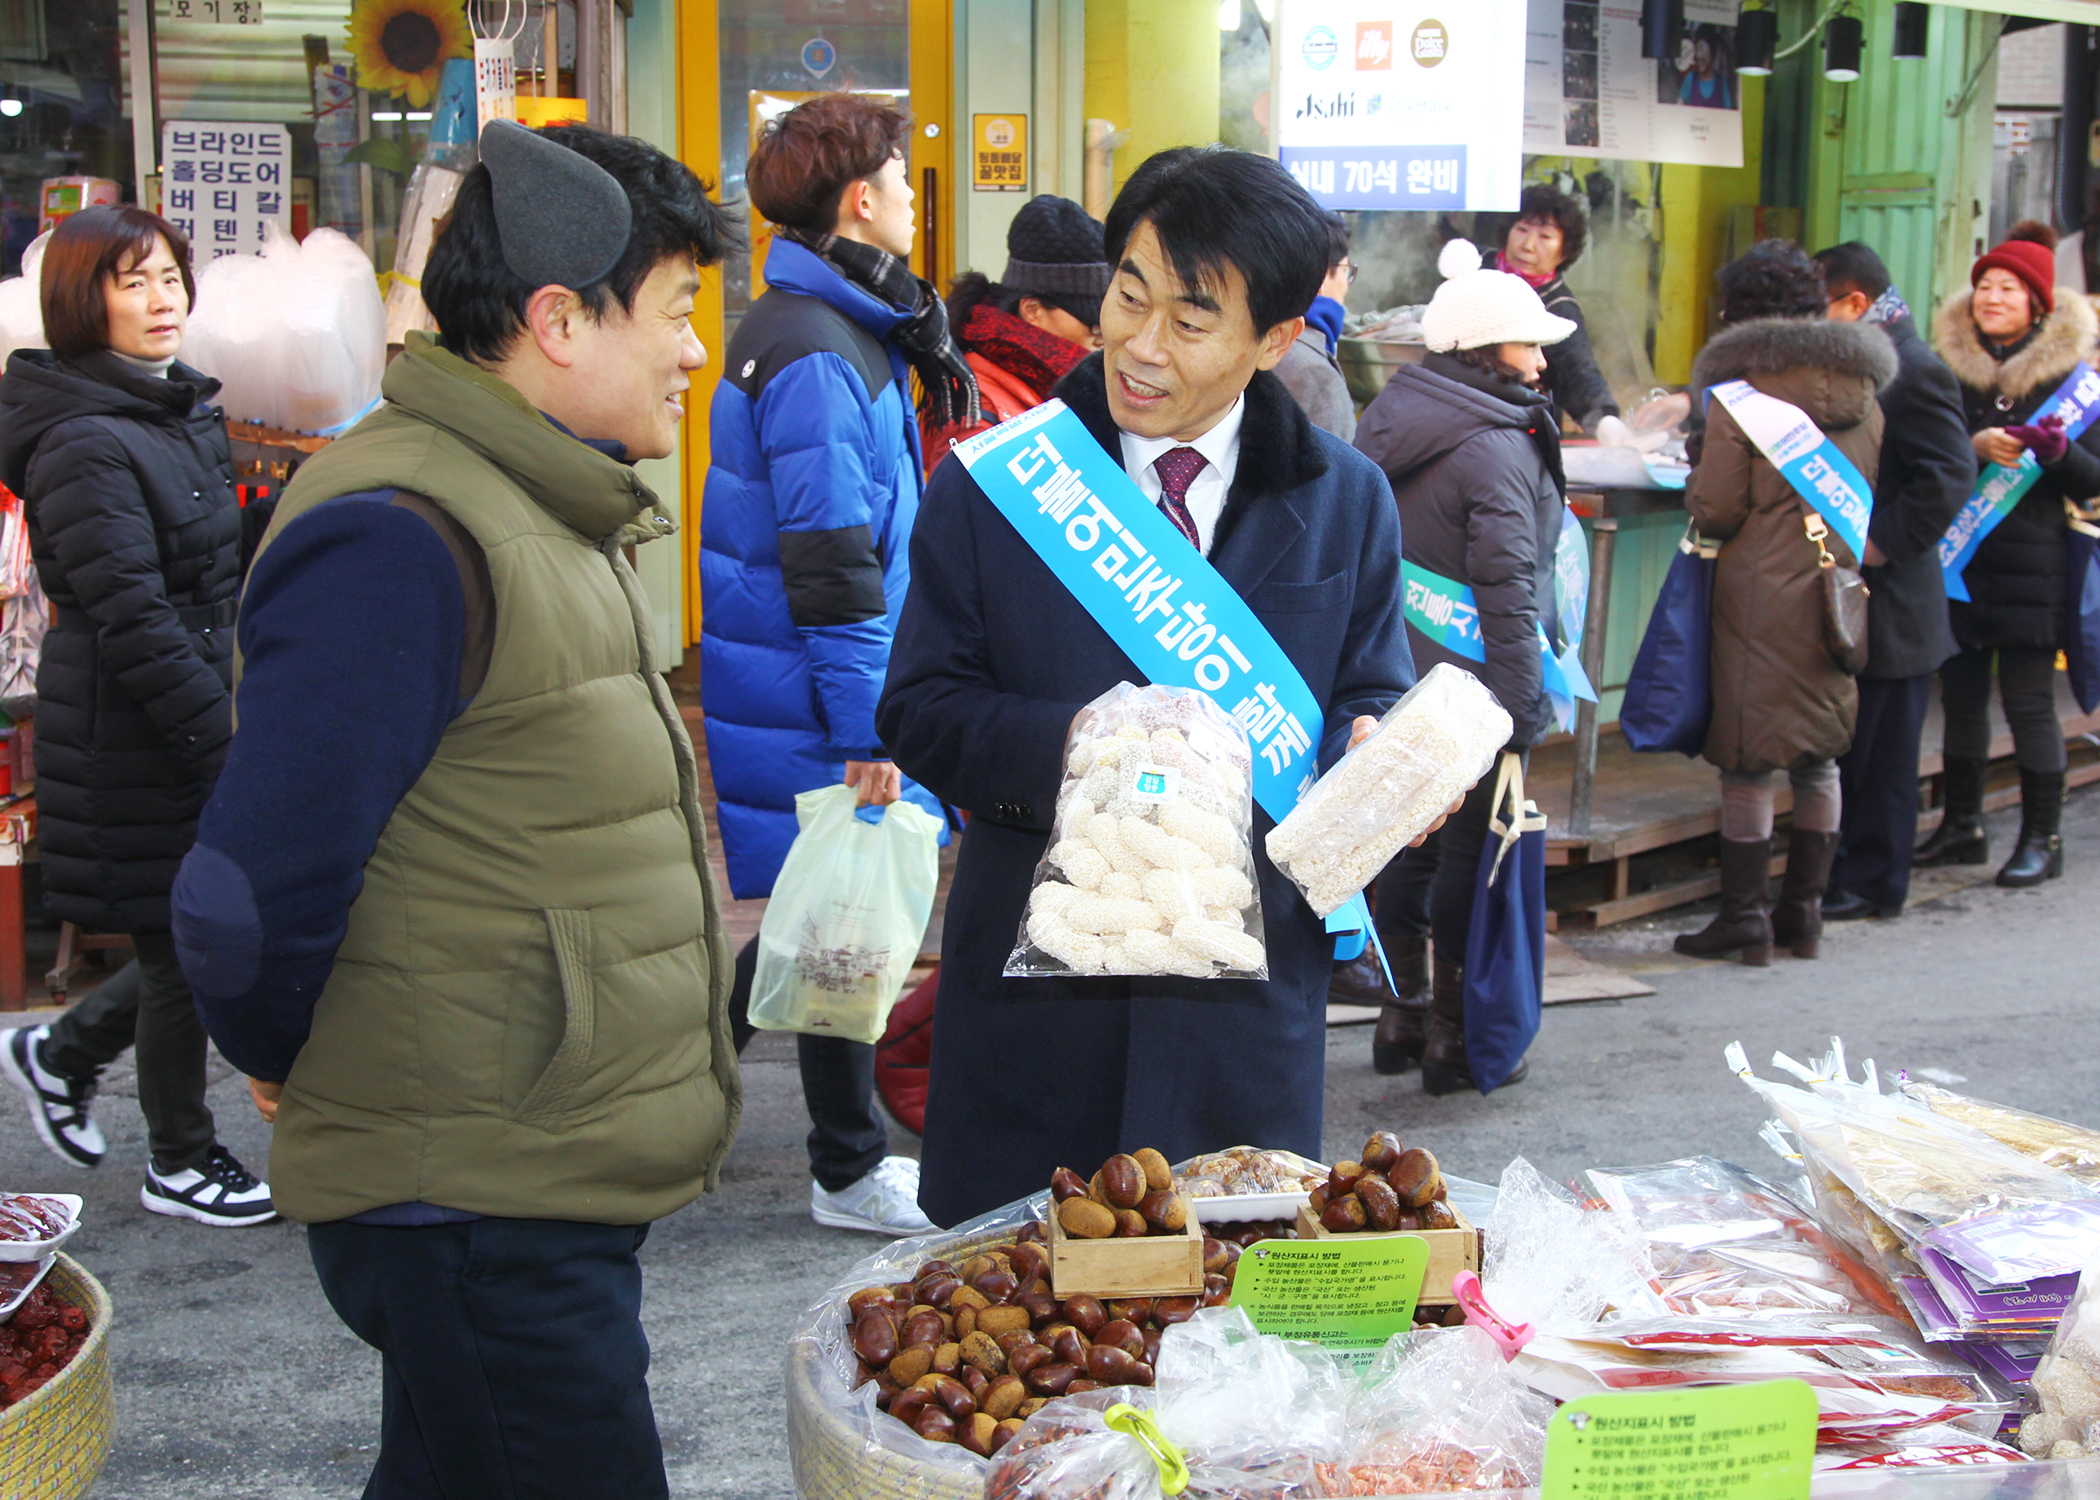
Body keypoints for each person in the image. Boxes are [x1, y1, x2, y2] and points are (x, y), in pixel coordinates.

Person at [170, 122, 741, 1498]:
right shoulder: (406, 528)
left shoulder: (538, 497)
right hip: (476, 1189)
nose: (694, 351)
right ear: (556, 321)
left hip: (512, 1165)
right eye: (674, 312)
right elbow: (247, 894)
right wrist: (293, 1053)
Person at [878, 145, 1420, 1227]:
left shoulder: (1346, 499)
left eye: (1190, 318)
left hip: (1243, 1008)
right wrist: (1088, 746)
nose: (1139, 343)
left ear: (1272, 340)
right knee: (1017, 1341)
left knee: (1225, 1337)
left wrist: (1382, 752)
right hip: (1041, 1006)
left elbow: (1372, 688)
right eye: (1130, 294)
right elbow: (920, 711)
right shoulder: (998, 486)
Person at [701, 92, 966, 1237]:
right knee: (840, 919)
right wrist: (872, 727)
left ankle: (802, 1147)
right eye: (906, 181)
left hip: (816, 678)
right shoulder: (817, 349)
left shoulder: (832, 324)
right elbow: (830, 563)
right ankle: (846, 1168)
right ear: (863, 201)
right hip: (826, 687)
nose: (915, 199)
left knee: (826, 916)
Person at [0, 205, 272, 1226]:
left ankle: (60, 1052)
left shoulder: (170, 407)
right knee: (183, 944)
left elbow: (207, 569)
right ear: (82, 302)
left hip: (183, 698)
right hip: (133, 721)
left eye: (169, 277)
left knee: (184, 937)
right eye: (132, 282)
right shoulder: (83, 438)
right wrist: (224, 737)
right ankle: (180, 1157)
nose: (163, 301)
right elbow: (132, 615)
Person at [1352, 238, 1571, 1091]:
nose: (1543, 358)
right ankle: (1452, 1034)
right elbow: (1509, 591)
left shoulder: (1393, 415)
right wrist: (1523, 712)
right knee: (1467, 852)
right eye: (1529, 342)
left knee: (1408, 846)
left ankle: (1400, 1020)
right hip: (1476, 690)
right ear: (1487, 349)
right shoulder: (1499, 443)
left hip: (1397, 676)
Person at [1673, 240, 1893, 965]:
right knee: (1818, 757)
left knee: (1749, 760)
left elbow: (1716, 509)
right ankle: (1803, 914)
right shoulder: (1865, 395)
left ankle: (1745, 919)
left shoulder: (1743, 399)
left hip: (1758, 598)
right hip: (1836, 593)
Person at [1922, 222, 2100, 887]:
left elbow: (2095, 478)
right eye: (1984, 287)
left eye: (2008, 289)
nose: (1992, 298)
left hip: (2036, 563)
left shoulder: (2074, 383)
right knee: (1962, 698)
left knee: (2028, 702)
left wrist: (2059, 454)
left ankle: (2041, 838)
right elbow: (1923, 452)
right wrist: (1973, 447)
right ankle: (1961, 826)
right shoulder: (1949, 373)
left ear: (2038, 304)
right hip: (1960, 560)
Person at [1812, 242, 1977, 921]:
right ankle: (1849, 872)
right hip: (1869, 600)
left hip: (1899, 601)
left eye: (1817, 307)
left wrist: (1881, 546)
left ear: (1855, 303)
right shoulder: (1876, 361)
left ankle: (1876, 882)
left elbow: (1951, 473)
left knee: (1884, 757)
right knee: (1861, 747)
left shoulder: (1913, 369)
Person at [922, 193, 1108, 472]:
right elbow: (960, 511)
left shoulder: (1055, 382)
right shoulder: (974, 408)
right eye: (1093, 323)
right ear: (1032, 309)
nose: (1103, 337)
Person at [1486, 184, 1621, 437]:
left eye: (1545, 237)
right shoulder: (1478, 268)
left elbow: (1577, 370)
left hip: (1519, 428)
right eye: (1522, 229)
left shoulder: (1558, 307)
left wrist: (1604, 419)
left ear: (1565, 251)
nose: (1527, 245)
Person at [1274, 210, 1358, 441]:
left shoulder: (1251, 338)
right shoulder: (1315, 375)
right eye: (1345, 271)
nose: (1345, 284)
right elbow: (1337, 475)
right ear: (1320, 276)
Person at [1677, 25, 1734, 108]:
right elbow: (1679, 104)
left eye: (1702, 48)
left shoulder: (1721, 82)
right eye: (1697, 49)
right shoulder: (1691, 77)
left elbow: (1728, 111)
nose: (1698, 55)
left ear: (1712, 53)